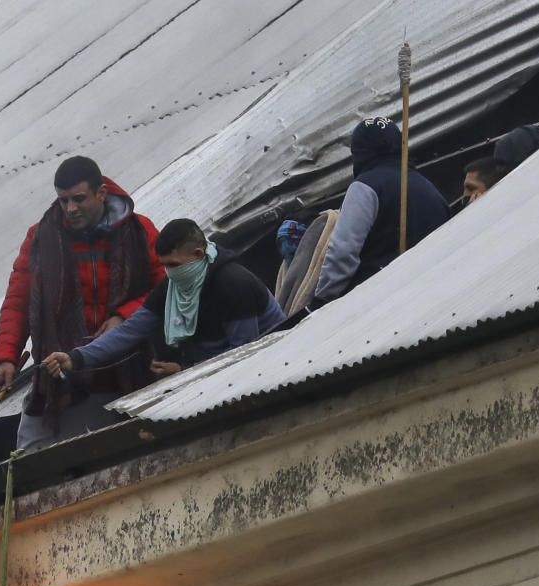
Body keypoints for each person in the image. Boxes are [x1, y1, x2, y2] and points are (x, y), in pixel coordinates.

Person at [0, 155, 165, 451]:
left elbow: (167, 290)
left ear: (102, 194)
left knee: (111, 454)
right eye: (63, 200)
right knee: (28, 460)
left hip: (122, 372)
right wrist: (6, 357)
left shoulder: (139, 231)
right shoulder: (40, 238)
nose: (71, 208)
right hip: (55, 377)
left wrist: (124, 317)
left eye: (79, 199)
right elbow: (19, 301)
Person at [41, 218, 285, 387]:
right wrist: (76, 358)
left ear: (199, 255)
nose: (169, 273)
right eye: (165, 265)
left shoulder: (233, 284)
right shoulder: (174, 288)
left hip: (272, 363)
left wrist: (185, 371)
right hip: (213, 370)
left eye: (174, 265)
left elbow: (245, 352)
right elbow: (129, 330)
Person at [312, 117, 450, 307]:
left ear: (360, 153)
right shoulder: (430, 189)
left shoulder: (364, 186)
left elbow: (343, 252)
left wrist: (322, 299)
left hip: (377, 301)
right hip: (431, 297)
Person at [275, 210, 339, 316]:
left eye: (294, 253)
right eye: (285, 256)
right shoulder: (285, 280)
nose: (293, 263)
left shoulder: (333, 266)